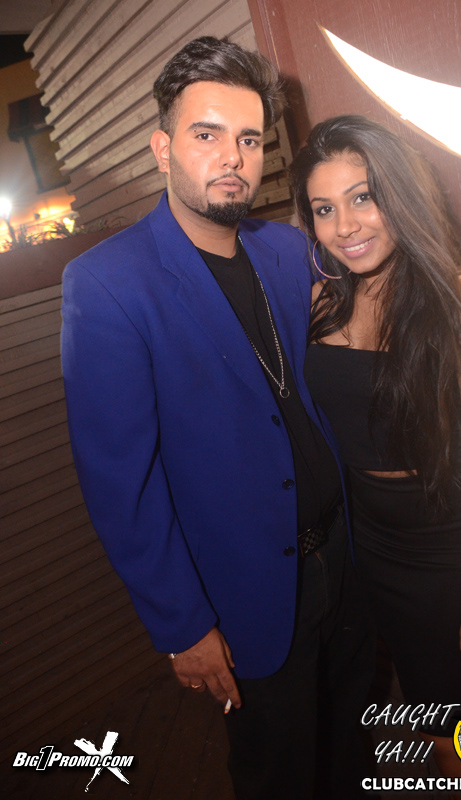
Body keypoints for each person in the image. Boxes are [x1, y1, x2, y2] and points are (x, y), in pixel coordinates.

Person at [61, 40, 374, 800]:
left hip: (345, 560)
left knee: (354, 750)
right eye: (207, 134)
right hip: (246, 594)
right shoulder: (106, 283)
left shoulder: (287, 249)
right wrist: (182, 627)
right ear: (163, 147)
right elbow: (120, 487)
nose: (233, 157)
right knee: (279, 774)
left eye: (249, 139)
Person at [290, 115, 461, 778]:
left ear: (402, 193)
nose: (345, 226)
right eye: (324, 209)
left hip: (440, 551)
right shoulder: (321, 303)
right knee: (414, 710)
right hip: (360, 541)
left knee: (459, 730)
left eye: (363, 197)